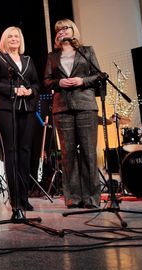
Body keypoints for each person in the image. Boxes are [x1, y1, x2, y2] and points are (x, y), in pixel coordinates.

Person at [43, 19, 101, 209]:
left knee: (88, 153)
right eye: (58, 30)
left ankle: (91, 198)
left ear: (73, 30)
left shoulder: (87, 51)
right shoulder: (52, 56)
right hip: (62, 108)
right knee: (68, 154)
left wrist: (82, 81)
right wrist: (58, 83)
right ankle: (73, 197)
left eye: (65, 28)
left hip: (85, 105)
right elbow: (47, 81)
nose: (61, 31)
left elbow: (98, 76)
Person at [0, 26, 40, 219]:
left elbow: (36, 83)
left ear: (21, 39)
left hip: (27, 109)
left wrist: (31, 91)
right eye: (10, 36)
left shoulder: (28, 60)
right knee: (11, 153)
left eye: (16, 36)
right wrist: (14, 90)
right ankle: (15, 200)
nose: (14, 39)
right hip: (6, 109)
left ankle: (25, 198)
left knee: (25, 152)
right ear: (4, 40)